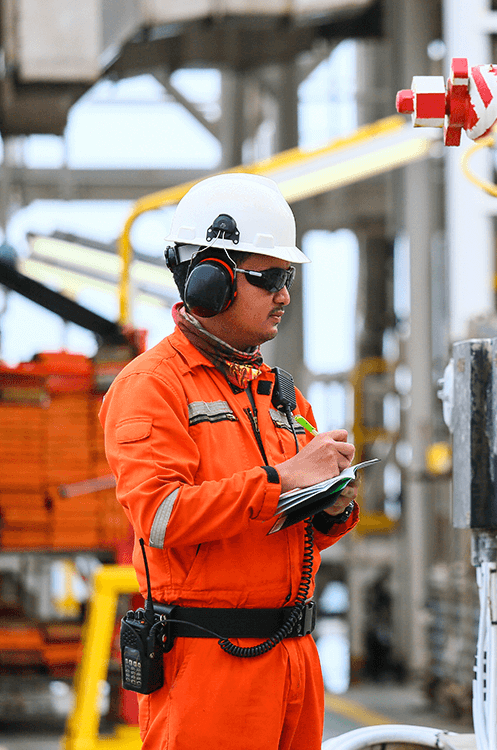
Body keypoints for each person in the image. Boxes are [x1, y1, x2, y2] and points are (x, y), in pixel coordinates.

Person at [100, 173, 360, 750]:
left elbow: (290, 529)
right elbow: (161, 516)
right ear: (208, 282)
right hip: (210, 668)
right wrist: (283, 480)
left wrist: (333, 506)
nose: (284, 295)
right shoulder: (151, 387)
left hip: (294, 660)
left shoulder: (278, 392)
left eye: (286, 278)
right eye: (268, 278)